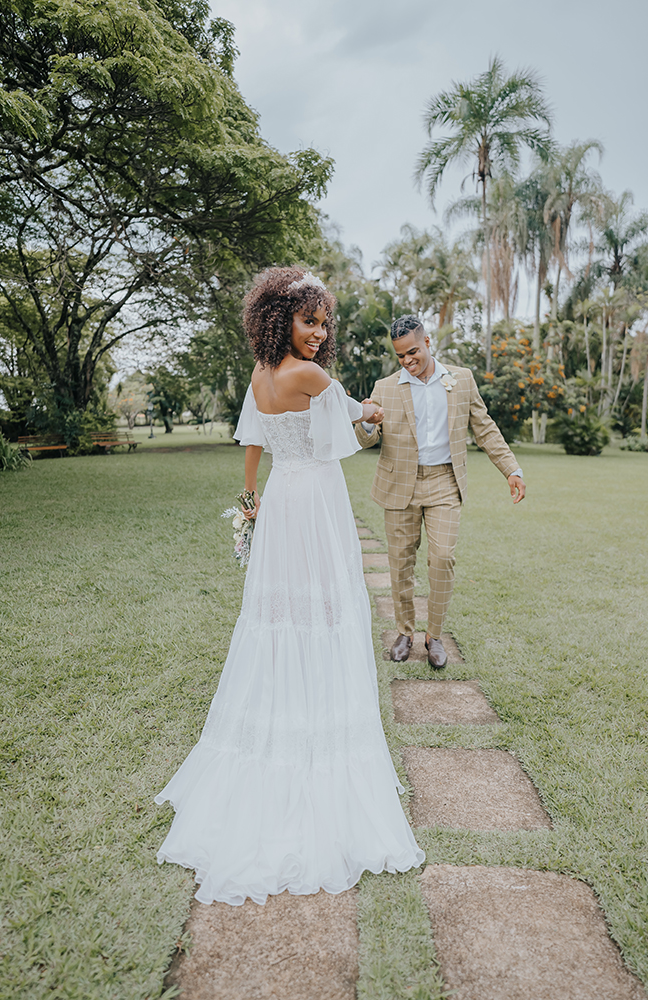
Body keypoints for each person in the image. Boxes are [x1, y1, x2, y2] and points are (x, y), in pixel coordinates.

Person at [154, 269, 425, 906]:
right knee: (327, 608)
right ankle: (316, 718)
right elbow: (350, 418)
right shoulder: (305, 375)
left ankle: (286, 700)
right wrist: (371, 410)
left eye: (324, 322)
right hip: (315, 499)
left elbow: (252, 439)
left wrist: (249, 498)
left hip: (280, 499)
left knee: (279, 612)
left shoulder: (258, 374)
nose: (319, 333)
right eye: (310, 321)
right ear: (281, 318)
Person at [355, 314, 525, 669]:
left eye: (413, 352)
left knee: (443, 557)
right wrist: (366, 421)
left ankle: (434, 635)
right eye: (401, 356)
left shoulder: (460, 380)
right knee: (400, 561)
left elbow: (485, 428)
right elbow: (367, 440)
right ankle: (404, 632)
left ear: (428, 342)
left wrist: (511, 468)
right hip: (399, 482)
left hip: (445, 481)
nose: (407, 361)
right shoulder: (384, 387)